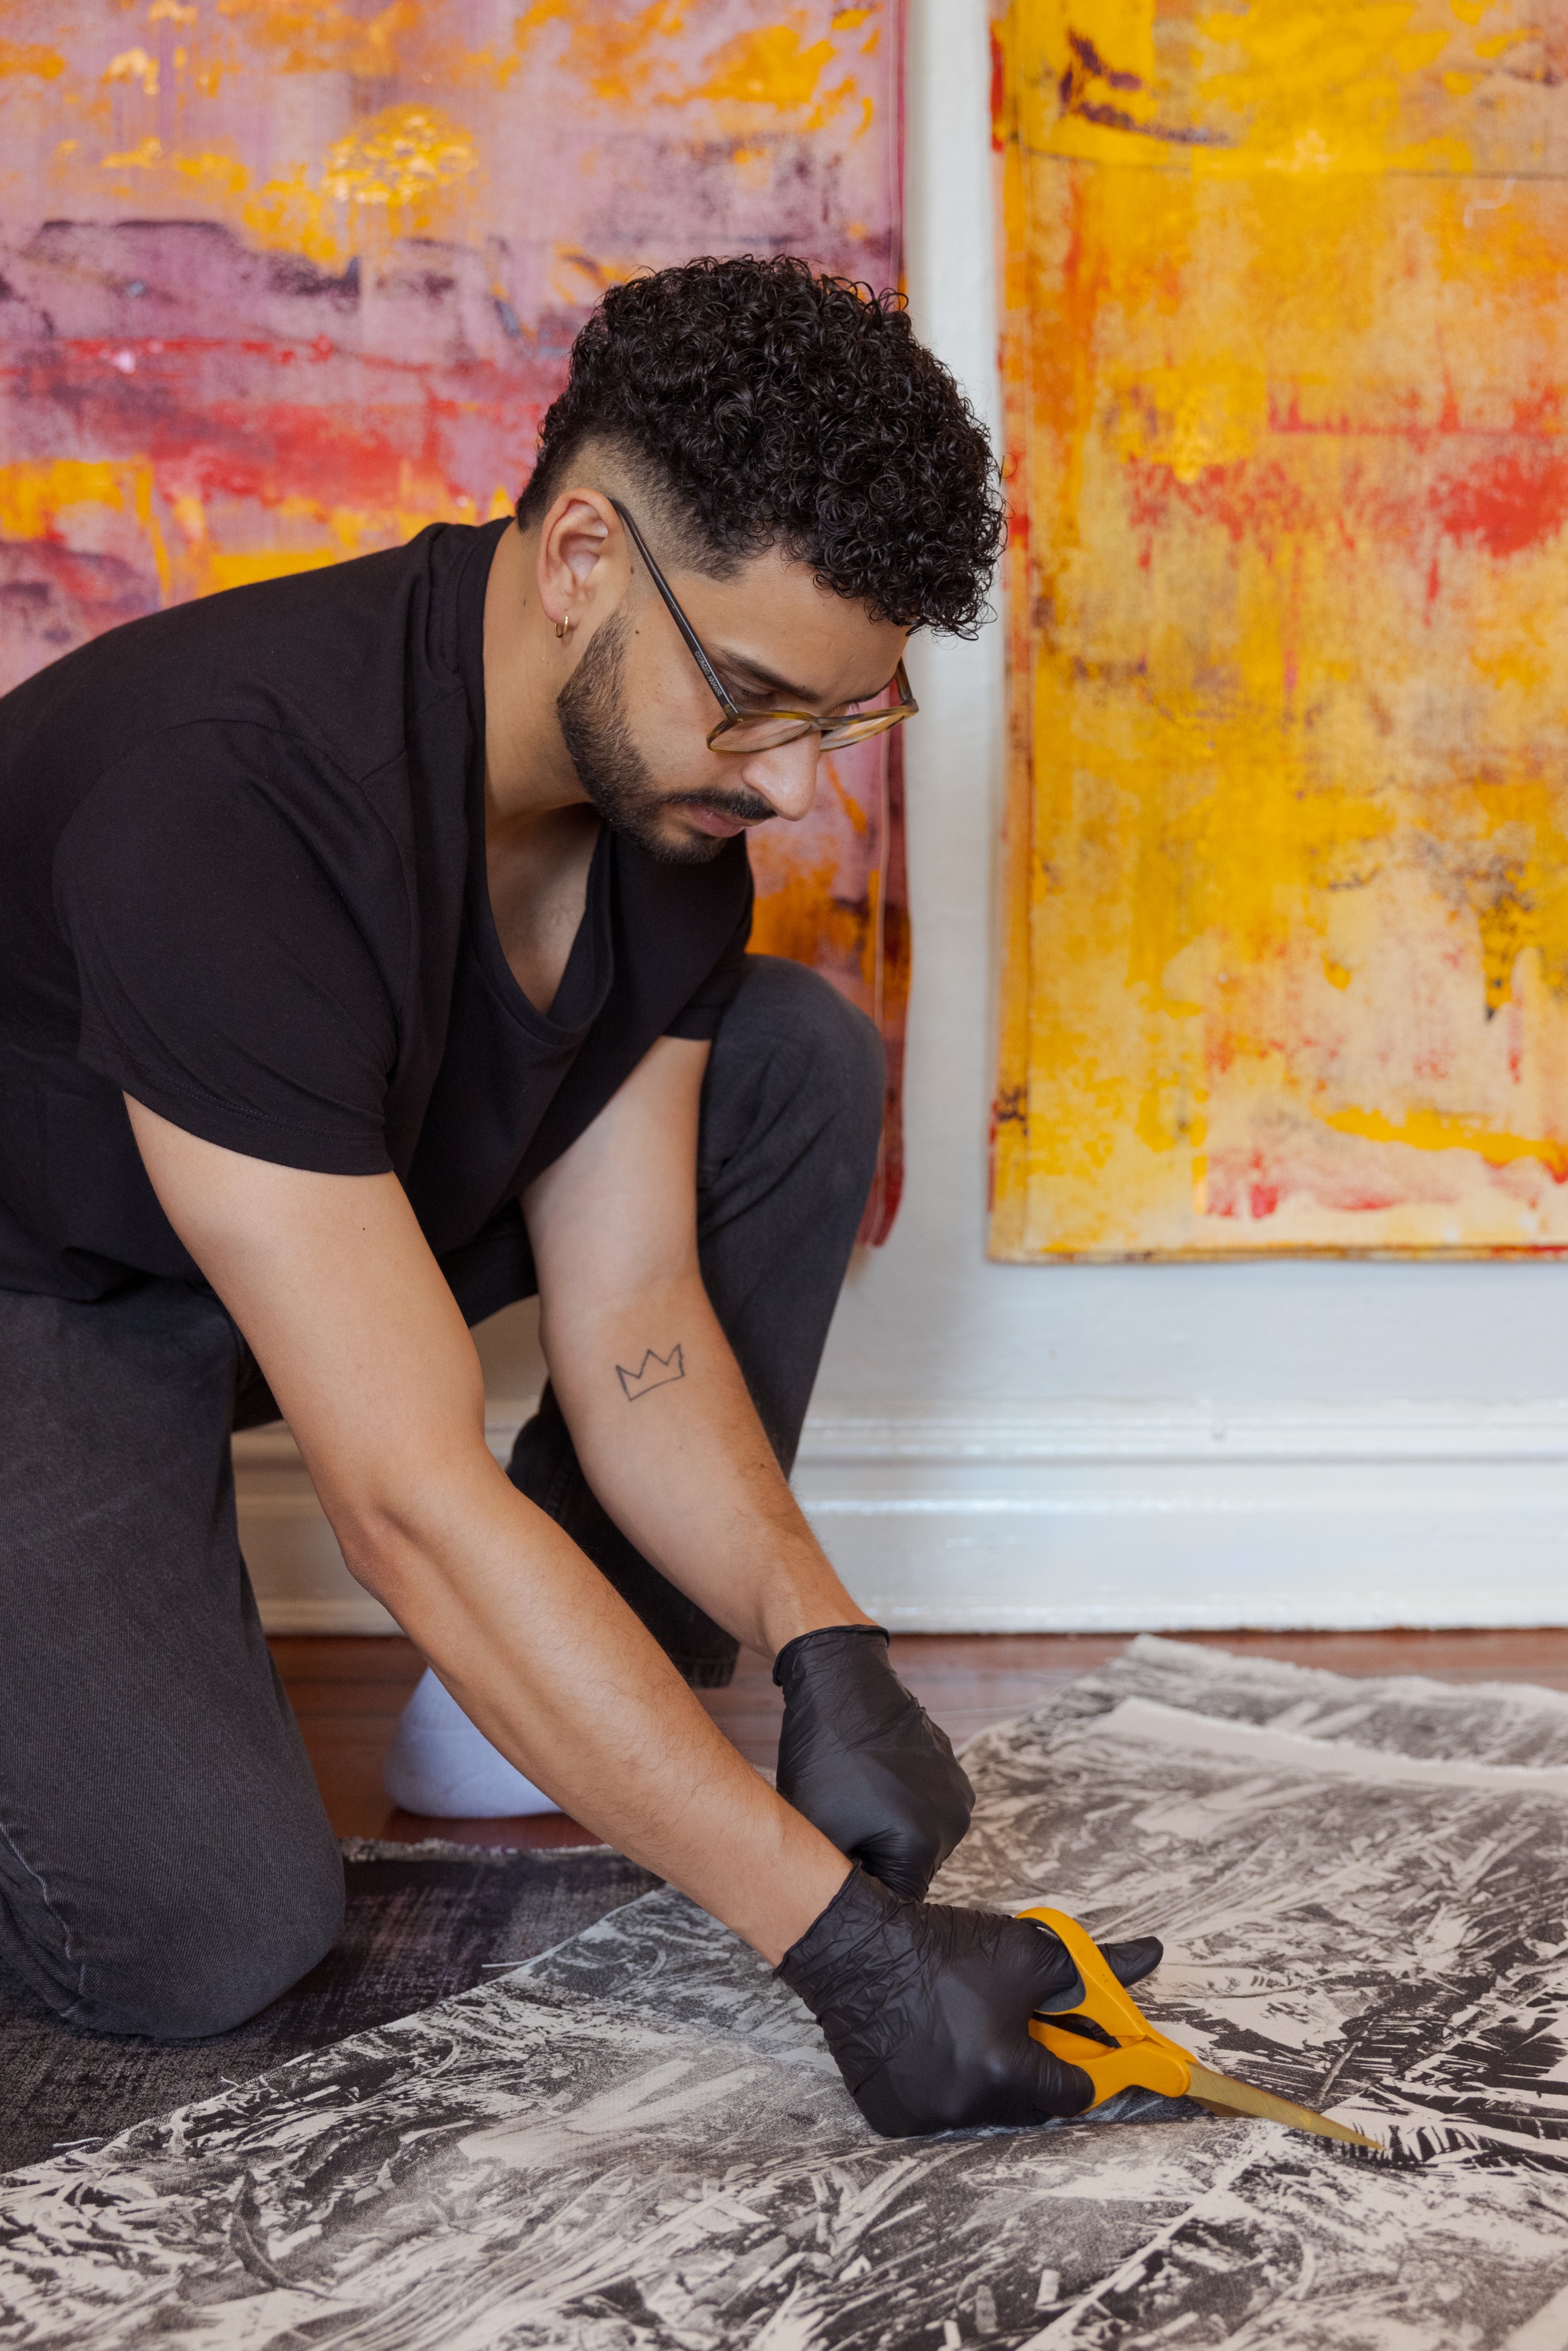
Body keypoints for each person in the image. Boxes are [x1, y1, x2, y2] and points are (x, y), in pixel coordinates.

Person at [0, 255, 1159, 2135]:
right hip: (43, 1286)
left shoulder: (662, 827)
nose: (790, 790)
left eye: (842, 724)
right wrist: (844, 1957)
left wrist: (820, 1645)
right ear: (583, 563)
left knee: (788, 1056)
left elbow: (632, 1323)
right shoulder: (234, 797)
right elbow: (397, 1495)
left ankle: (531, 1701)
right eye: (759, 702)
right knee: (201, 1939)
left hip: (259, 1227)